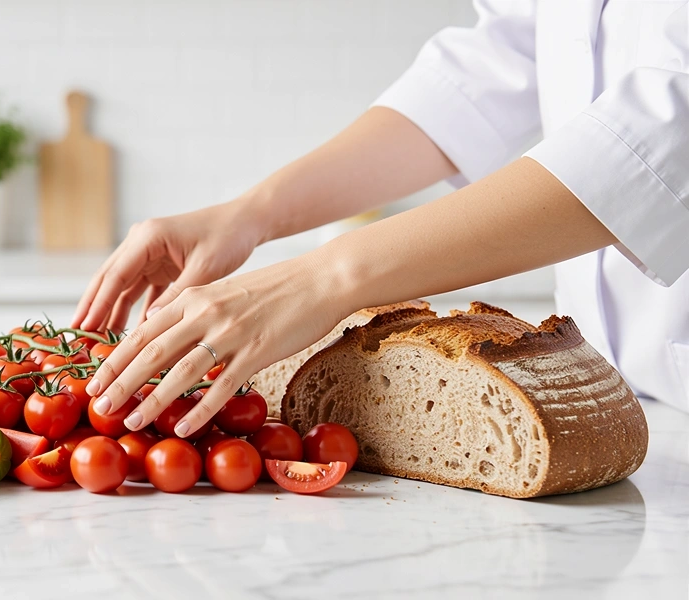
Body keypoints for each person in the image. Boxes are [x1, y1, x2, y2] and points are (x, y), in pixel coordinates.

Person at [71, 0, 689, 438]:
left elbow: (660, 140)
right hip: (622, 403)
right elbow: (491, 71)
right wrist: (249, 215)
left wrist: (322, 279)